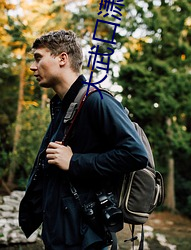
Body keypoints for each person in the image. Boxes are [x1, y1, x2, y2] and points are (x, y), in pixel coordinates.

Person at [18, 30, 148, 250]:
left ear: (62, 58)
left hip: (88, 240)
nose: (33, 66)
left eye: (39, 58)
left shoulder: (97, 101)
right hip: (62, 236)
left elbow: (135, 155)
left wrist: (74, 161)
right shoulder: (62, 106)